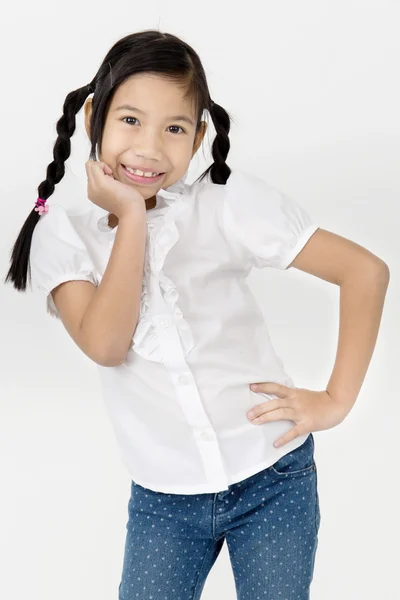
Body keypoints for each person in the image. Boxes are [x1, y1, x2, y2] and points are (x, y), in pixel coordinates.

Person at [5, 29, 390, 600]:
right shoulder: (63, 236)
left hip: (273, 479)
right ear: (94, 118)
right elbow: (107, 345)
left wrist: (335, 400)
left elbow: (365, 272)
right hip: (165, 501)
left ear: (200, 136)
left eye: (175, 128)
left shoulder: (227, 205)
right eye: (130, 121)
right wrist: (131, 219)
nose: (150, 148)